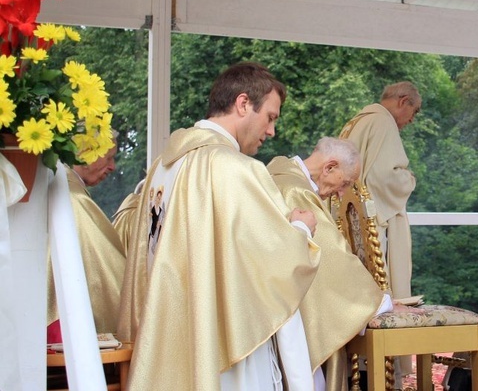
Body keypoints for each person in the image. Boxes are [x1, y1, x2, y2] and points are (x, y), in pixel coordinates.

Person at [117, 62, 321, 391]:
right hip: (225, 346)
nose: (272, 132)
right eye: (270, 117)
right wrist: (301, 230)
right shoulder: (236, 169)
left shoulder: (162, 167)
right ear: (243, 104)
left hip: (167, 338)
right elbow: (273, 268)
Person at [267, 137, 394, 391]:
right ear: (329, 167)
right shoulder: (297, 190)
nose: (341, 193)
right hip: (288, 310)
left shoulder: (279, 170)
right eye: (344, 183)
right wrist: (380, 303)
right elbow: (331, 259)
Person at [339, 81, 420, 300]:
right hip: (372, 221)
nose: (412, 119)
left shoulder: (358, 121)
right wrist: (409, 180)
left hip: (350, 218)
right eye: (414, 112)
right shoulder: (383, 122)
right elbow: (383, 177)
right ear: (403, 101)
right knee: (381, 290)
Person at [47, 133, 126, 340]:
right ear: (85, 152)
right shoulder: (74, 200)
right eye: (108, 157)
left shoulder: (60, 186)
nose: (112, 167)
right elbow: (106, 271)